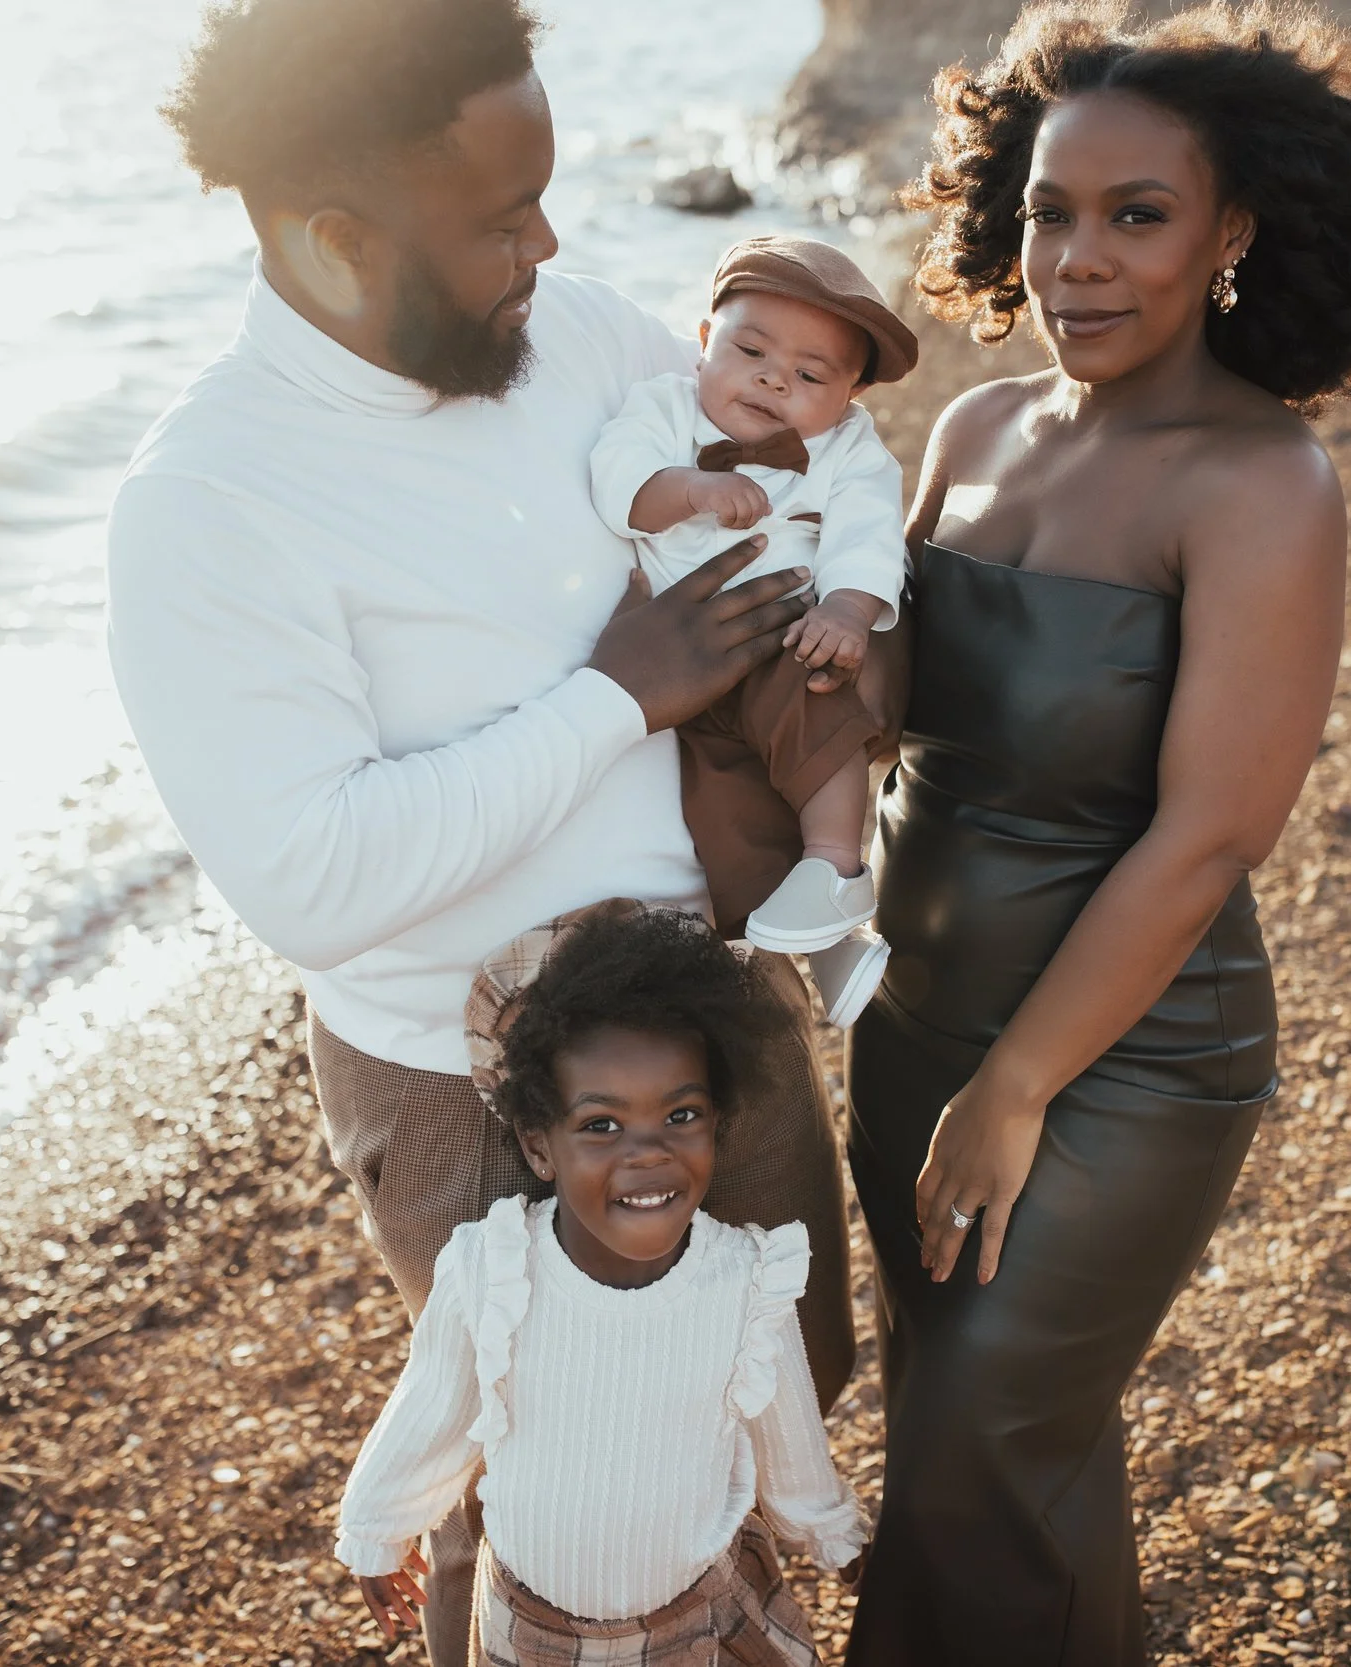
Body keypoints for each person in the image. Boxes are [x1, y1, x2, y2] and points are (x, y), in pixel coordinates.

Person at [105, 3, 855, 1659]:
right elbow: (311, 878)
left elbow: (786, 478)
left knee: (773, 1381)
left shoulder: (578, 334)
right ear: (331, 238)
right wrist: (616, 696)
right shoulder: (206, 506)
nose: (552, 241)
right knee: (538, 1468)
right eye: (501, 219)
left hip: (714, 1013)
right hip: (470, 1084)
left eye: (546, 194)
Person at [839, 4, 1351, 1662]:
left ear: (1232, 234)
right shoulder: (973, 433)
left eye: (1138, 215)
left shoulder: (1259, 485)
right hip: (911, 1029)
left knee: (975, 1458)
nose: (1078, 262)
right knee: (1000, 1452)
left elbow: (1204, 837)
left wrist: (1016, 1084)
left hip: (1118, 1061)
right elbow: (903, 697)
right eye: (1050, 210)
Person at [335, 904, 864, 1664]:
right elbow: (433, 1409)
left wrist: (835, 1535)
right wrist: (376, 1531)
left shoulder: (747, 1283)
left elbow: (792, 1447)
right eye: (602, 1125)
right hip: (535, 1629)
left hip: (701, 1618)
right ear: (537, 1145)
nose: (647, 1153)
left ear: (718, 1121)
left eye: (680, 1114)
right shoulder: (496, 1270)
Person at [590, 235, 920, 1027]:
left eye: (810, 375)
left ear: (849, 397)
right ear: (704, 341)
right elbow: (618, 484)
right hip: (687, 670)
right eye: (750, 350)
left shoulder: (847, 450)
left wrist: (845, 610)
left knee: (817, 711)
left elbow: (870, 533)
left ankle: (838, 864)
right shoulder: (663, 410)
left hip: (785, 635)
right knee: (723, 818)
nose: (774, 378)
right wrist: (691, 489)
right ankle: (822, 944)